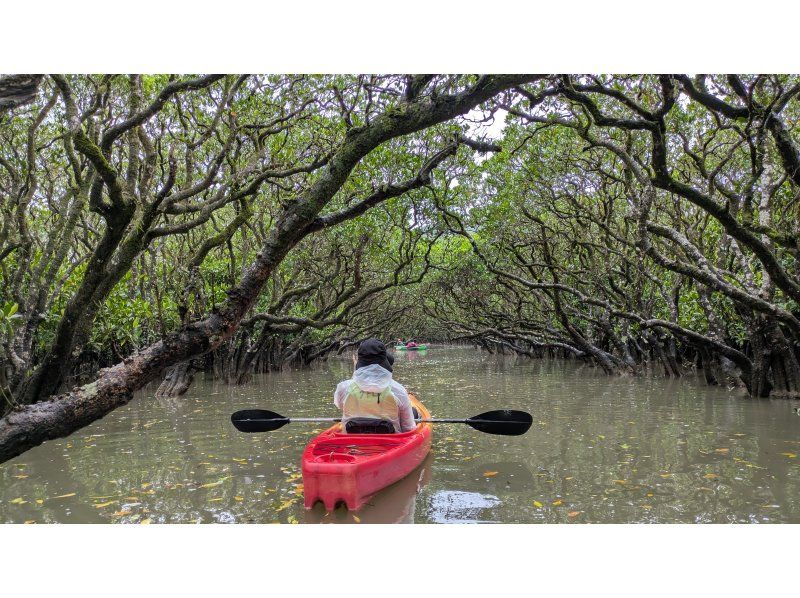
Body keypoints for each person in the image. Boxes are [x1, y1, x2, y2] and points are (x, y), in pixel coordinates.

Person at [334, 338, 416, 434]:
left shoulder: (343, 388)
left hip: (352, 443)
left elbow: (342, 407)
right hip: (390, 442)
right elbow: (408, 428)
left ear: (360, 363)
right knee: (414, 413)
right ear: (385, 361)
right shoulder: (398, 390)